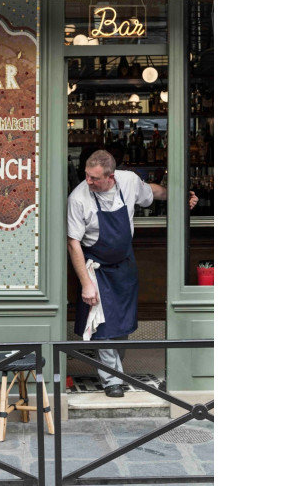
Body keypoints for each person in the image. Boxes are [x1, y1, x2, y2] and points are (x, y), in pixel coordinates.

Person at [67, 150, 198, 397]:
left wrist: (181, 196)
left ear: (111, 176)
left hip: (125, 265)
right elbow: (73, 242)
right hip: (96, 268)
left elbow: (153, 192)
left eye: (95, 178)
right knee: (102, 326)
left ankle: (115, 371)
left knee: (121, 325)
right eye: (87, 175)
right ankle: (112, 380)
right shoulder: (78, 198)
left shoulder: (128, 181)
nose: (88, 181)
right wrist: (86, 283)